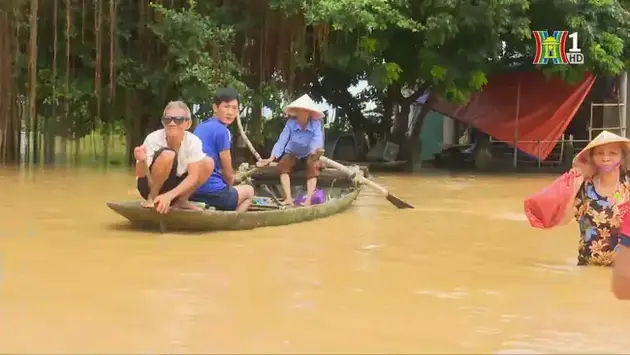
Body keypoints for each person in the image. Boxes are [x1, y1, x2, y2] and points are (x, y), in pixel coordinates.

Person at [560, 130, 630, 266]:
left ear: (622, 158)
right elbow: (564, 220)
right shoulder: (584, 188)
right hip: (588, 267)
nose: (605, 158)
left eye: (613, 153)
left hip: (623, 270)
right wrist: (574, 186)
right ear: (592, 158)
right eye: (600, 153)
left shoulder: (627, 186)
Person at [134, 100, 214, 214]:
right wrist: (141, 161)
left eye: (178, 120)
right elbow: (141, 174)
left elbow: (193, 176)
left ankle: (181, 201)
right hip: (150, 185)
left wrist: (169, 196)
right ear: (163, 122)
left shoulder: (193, 141)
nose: (172, 123)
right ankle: (152, 198)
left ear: (188, 123)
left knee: (208, 162)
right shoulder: (153, 138)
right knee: (168, 154)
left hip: (175, 186)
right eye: (168, 119)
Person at [191, 88, 255, 212]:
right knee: (249, 191)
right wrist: (230, 188)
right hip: (213, 192)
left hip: (191, 191)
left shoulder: (200, 127)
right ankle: (231, 220)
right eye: (226, 107)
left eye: (234, 108)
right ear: (215, 108)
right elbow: (227, 171)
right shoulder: (222, 131)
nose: (230, 112)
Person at [258, 94, 325, 206]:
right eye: (300, 111)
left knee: (313, 166)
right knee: (283, 165)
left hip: (310, 154)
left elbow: (317, 140)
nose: (302, 113)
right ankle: (288, 199)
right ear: (296, 112)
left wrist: (315, 152)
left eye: (305, 111)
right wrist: (272, 157)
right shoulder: (291, 123)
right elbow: (282, 140)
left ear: (309, 113)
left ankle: (308, 200)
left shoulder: (316, 124)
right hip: (293, 154)